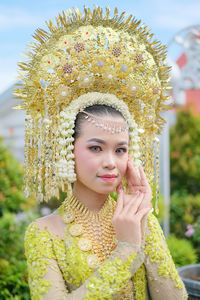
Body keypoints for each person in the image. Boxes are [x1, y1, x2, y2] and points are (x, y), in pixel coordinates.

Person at [14, 6, 188, 300]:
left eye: (121, 150)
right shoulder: (44, 233)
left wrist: (143, 225)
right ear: (67, 148)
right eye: (96, 147)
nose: (111, 162)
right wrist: (126, 251)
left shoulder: (141, 221)